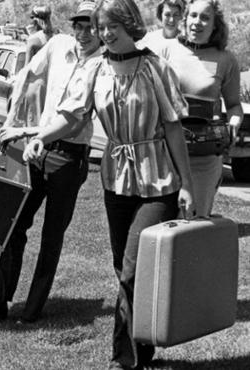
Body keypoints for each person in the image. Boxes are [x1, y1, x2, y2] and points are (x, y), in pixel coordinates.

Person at [20, 0, 195, 368]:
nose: (104, 33)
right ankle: (142, 347)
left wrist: (187, 184)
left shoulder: (155, 68)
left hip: (158, 179)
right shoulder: (96, 69)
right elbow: (72, 116)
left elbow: (175, 128)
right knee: (124, 268)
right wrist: (42, 137)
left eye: (112, 25)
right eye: (101, 27)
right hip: (116, 180)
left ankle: (122, 359)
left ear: (130, 24)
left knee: (133, 268)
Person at [0, 0, 102, 325]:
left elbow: (72, 119)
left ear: (102, 30)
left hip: (67, 158)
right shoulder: (57, 45)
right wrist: (12, 116)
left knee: (51, 236)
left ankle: (32, 310)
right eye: (79, 25)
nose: (84, 33)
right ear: (71, 26)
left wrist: (28, 131)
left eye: (92, 26)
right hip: (37, 148)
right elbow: (28, 76)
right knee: (13, 224)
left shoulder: (102, 65)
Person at [153, 0, 243, 217]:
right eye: (193, 16)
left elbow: (234, 106)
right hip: (164, 153)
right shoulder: (166, 49)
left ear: (215, 25)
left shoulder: (226, 59)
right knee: (158, 223)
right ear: (185, 19)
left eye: (205, 17)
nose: (197, 22)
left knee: (193, 222)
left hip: (204, 158)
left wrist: (233, 126)